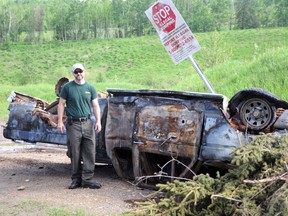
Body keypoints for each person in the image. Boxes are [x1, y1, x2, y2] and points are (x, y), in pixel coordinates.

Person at [57, 63, 102, 189]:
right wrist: (60, 122)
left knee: (90, 152)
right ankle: (76, 179)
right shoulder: (67, 87)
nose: (79, 74)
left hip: (88, 123)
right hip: (73, 124)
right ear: (73, 73)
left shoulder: (91, 88)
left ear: (84, 72)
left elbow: (95, 105)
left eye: (80, 71)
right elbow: (61, 104)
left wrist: (98, 121)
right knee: (74, 152)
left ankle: (87, 179)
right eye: (76, 72)